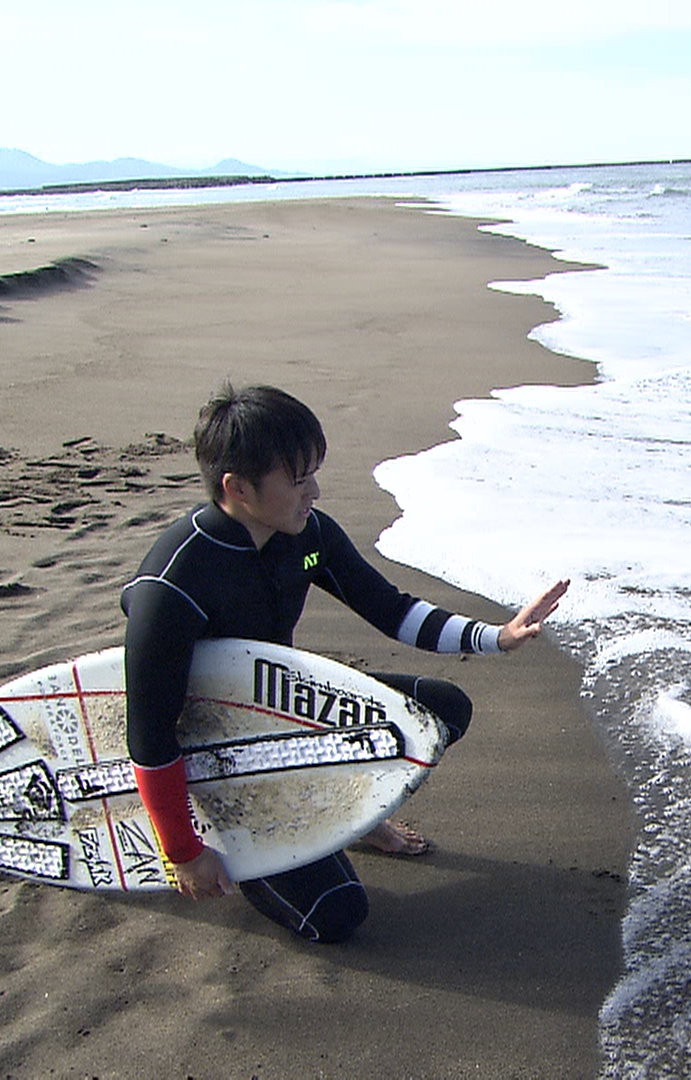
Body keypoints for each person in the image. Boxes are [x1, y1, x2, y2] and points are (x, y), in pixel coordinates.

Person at [121, 383, 568, 943]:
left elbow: (391, 609)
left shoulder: (307, 534)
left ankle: (348, 818)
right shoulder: (174, 580)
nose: (315, 490)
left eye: (313, 473)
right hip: (211, 759)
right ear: (237, 487)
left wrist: (494, 637)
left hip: (279, 715)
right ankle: (246, 841)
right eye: (298, 478)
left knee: (438, 710)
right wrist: (183, 852)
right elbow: (150, 730)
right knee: (337, 915)